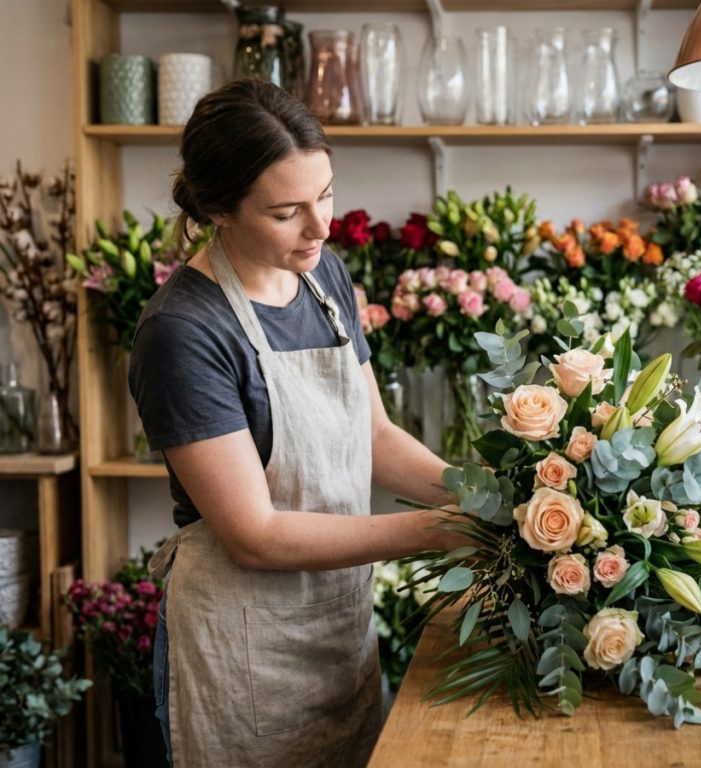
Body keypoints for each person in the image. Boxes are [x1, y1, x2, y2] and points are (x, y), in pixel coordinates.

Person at [129, 79, 464, 768]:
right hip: (242, 649)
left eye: (326, 195)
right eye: (287, 212)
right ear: (217, 209)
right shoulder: (183, 332)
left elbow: (375, 436)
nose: (320, 227)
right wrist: (441, 530)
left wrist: (487, 494)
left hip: (338, 629)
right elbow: (255, 535)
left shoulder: (322, 274)